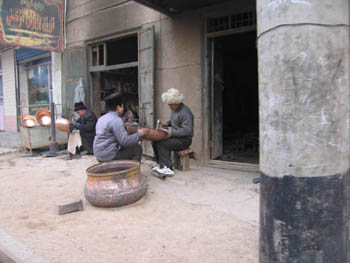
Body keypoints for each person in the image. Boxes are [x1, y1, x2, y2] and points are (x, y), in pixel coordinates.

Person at [93, 92, 149, 162]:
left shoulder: (101, 118)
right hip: (108, 155)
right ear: (118, 107)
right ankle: (132, 171)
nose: (123, 109)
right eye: (122, 106)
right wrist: (139, 134)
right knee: (137, 148)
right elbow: (124, 141)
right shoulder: (116, 120)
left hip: (99, 154)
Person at [152, 88, 194, 177]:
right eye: (169, 104)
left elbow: (187, 130)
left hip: (184, 140)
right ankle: (161, 165)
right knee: (155, 140)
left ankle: (168, 168)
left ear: (177, 103)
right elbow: (174, 120)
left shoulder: (186, 113)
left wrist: (170, 133)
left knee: (162, 143)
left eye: (171, 104)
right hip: (177, 137)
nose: (169, 106)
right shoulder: (174, 109)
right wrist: (168, 123)